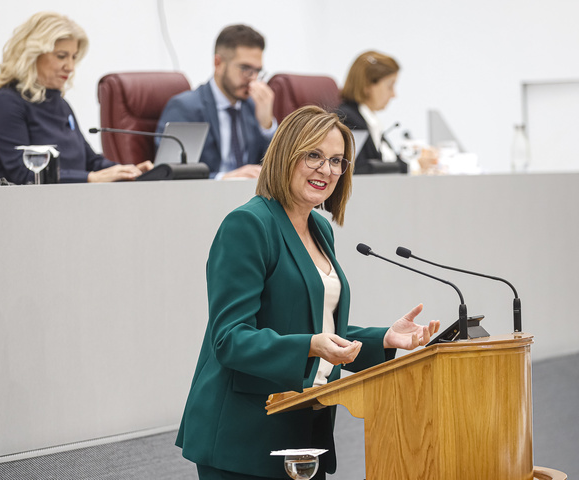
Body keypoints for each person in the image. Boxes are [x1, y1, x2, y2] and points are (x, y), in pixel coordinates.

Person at [176, 105, 440, 479]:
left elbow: (315, 330)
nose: (327, 170)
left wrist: (387, 338)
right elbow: (229, 339)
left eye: (336, 160)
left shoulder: (320, 228)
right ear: (286, 154)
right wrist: (310, 347)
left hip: (304, 426)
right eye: (313, 155)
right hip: (244, 434)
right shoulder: (248, 225)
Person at [0, 12, 152, 185]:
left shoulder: (60, 104)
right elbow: (25, 174)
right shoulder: (5, 103)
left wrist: (130, 171)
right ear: (32, 55)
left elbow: (91, 162)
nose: (70, 67)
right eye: (61, 56)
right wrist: (90, 178)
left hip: (65, 202)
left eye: (74, 57)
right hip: (15, 208)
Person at [156, 24, 276, 180]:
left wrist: (267, 125)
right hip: (206, 198)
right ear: (218, 64)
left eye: (258, 71)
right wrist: (222, 179)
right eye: (245, 69)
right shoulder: (186, 107)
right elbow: (170, 172)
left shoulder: (253, 105)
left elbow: (275, 166)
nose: (253, 78)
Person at [336, 50, 409, 175]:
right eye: (389, 86)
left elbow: (389, 160)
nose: (393, 94)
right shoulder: (347, 120)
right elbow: (362, 169)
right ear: (368, 85)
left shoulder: (367, 119)